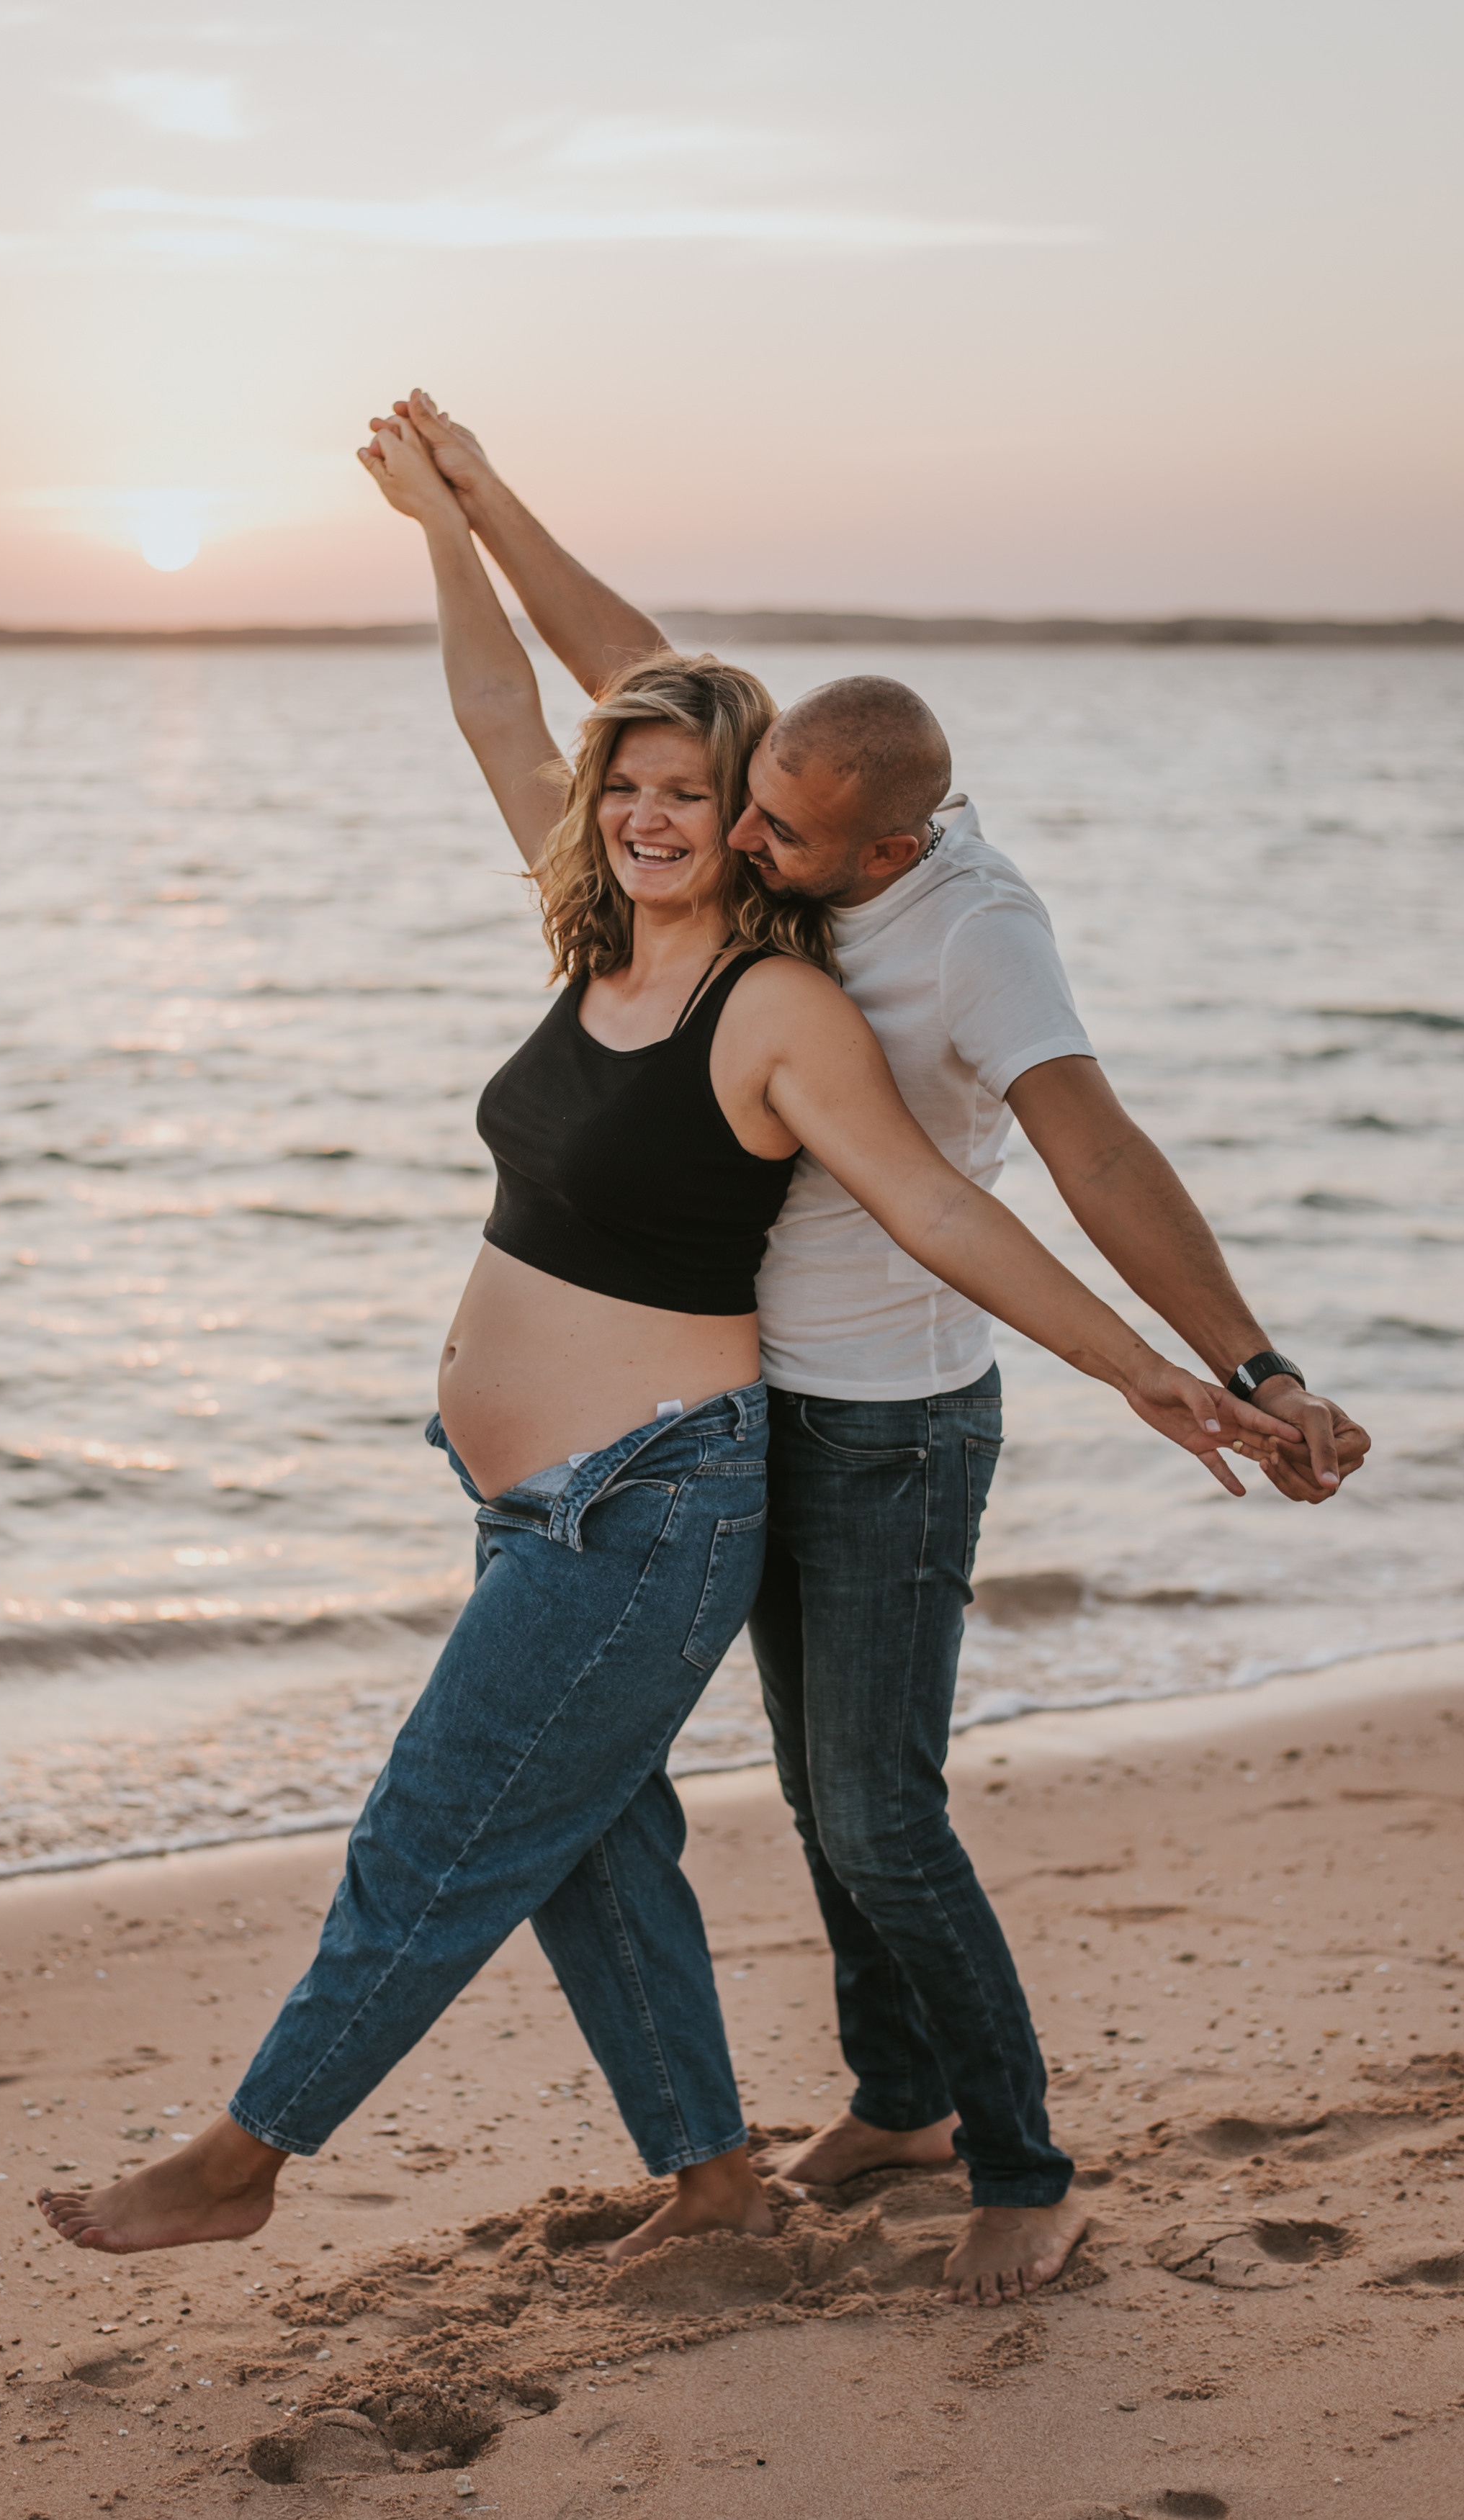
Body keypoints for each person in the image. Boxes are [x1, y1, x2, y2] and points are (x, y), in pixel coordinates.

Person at [35, 412, 1300, 2278]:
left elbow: (950, 1208)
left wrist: (1167, 1373)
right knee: (594, 1830)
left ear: (775, 833)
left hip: (653, 1491)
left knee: (453, 1823)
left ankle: (246, 2150)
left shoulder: (783, 996)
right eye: (622, 785)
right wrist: (445, 519)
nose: (645, 812)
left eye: (695, 798)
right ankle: (716, 2180)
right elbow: (508, 705)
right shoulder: (597, 932)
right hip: (526, 1489)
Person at [367, 389, 1373, 2305]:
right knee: (822, 1794)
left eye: (781, 826)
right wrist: (473, 504)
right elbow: (615, 687)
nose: (740, 837)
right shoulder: (773, 846)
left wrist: (1241, 1369)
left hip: (897, 1424)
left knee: (879, 1812)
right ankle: (899, 2099)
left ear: (892, 840)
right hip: (749, 1410)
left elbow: (1087, 1155)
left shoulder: (976, 932)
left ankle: (1022, 2160)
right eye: (739, 807)